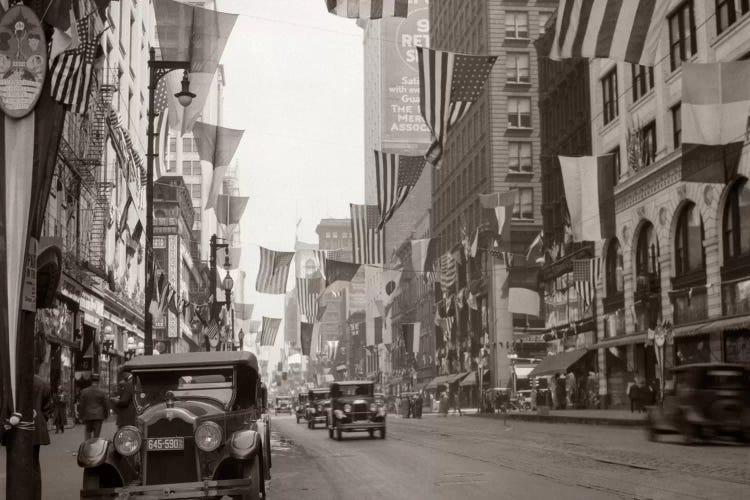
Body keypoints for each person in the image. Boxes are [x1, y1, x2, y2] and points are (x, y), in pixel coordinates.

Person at [32, 371, 53, 500]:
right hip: (36, 425)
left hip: (17, 426)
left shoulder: (13, 379)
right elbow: (48, 407)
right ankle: (35, 495)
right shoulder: (42, 383)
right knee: (34, 463)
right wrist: (40, 418)